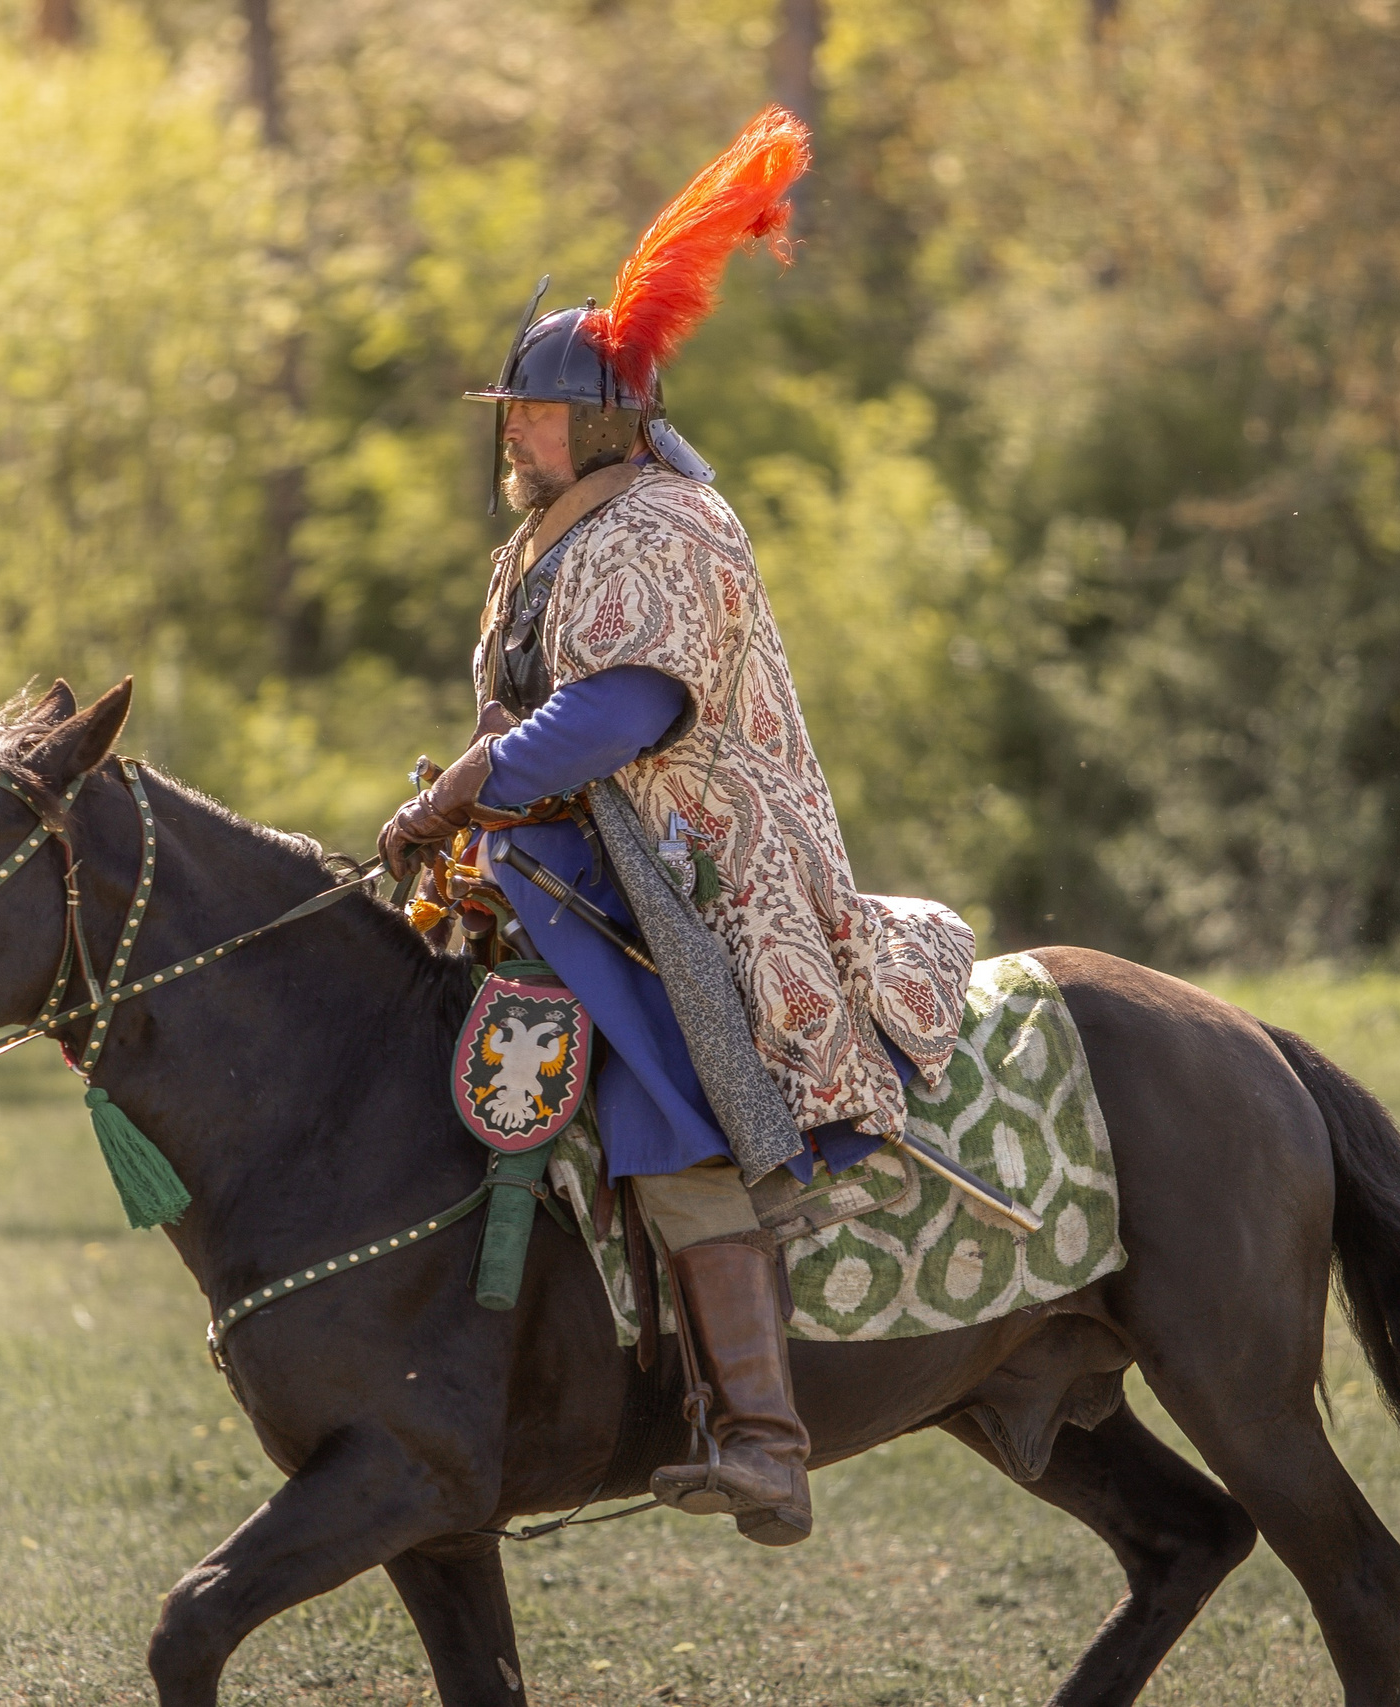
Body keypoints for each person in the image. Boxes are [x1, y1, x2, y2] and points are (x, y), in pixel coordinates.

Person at [376, 109, 978, 1548]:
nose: (509, 434)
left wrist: (463, 790)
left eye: (527, 414)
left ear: (596, 421)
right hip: (583, 874)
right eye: (511, 415)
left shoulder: (659, 531)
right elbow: (525, 721)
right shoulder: (554, 532)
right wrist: (456, 808)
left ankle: (764, 1439)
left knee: (666, 1111)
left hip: (702, 889)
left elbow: (617, 717)